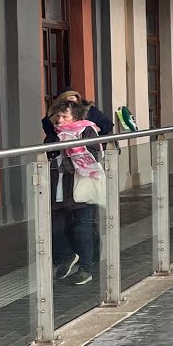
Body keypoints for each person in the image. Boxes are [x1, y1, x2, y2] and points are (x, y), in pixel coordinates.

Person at [47, 101, 103, 286]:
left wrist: (75, 152)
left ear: (76, 117)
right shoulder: (55, 134)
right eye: (58, 116)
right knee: (56, 227)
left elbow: (95, 155)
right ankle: (68, 255)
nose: (60, 120)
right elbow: (47, 154)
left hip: (80, 185)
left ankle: (86, 269)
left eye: (65, 116)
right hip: (60, 186)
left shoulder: (87, 130)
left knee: (82, 227)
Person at [42, 89, 114, 141]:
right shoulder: (53, 115)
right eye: (67, 100)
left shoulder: (89, 111)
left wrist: (96, 130)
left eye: (72, 99)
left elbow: (107, 125)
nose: (71, 103)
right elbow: (49, 131)